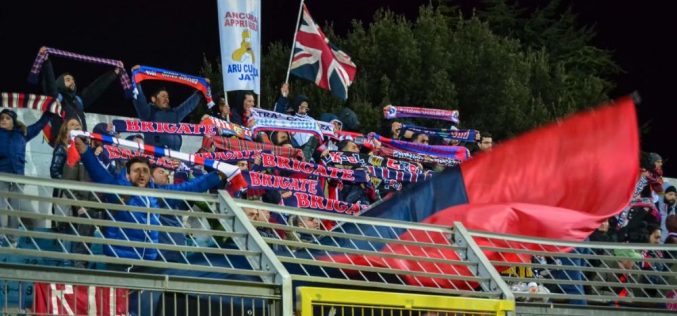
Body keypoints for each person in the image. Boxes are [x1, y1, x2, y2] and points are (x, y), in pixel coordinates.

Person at [72, 137, 225, 266]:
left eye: (144, 170)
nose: (141, 174)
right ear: (128, 175)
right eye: (136, 170)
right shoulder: (119, 192)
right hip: (121, 263)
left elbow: (190, 187)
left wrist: (217, 176)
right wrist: (85, 151)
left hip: (149, 263)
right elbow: (99, 173)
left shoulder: (158, 194)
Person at [39, 47, 120, 139]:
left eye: (73, 80)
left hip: (81, 143)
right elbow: (49, 82)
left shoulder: (78, 100)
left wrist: (114, 73)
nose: (72, 82)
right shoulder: (57, 98)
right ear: (60, 82)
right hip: (64, 141)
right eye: (68, 80)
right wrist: (46, 62)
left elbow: (95, 89)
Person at [0, 109, 52, 242]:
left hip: (18, 177)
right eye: (2, 118)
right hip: (2, 176)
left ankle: (12, 239)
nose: (4, 120)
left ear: (13, 121)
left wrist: (50, 111)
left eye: (7, 118)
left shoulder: (22, 134)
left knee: (14, 210)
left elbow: (40, 124)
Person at [131, 65, 208, 151]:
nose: (166, 99)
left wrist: (201, 90)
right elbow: (139, 99)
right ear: (153, 99)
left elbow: (188, 106)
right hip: (156, 157)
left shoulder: (174, 114)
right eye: (163, 96)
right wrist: (136, 81)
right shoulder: (148, 112)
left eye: (167, 97)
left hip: (175, 157)